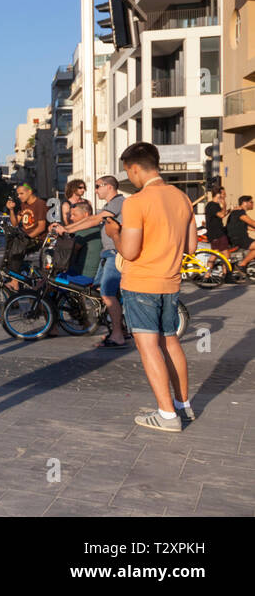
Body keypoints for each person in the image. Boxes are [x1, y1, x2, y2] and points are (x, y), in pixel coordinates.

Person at [112, 142, 196, 432]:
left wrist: (114, 234)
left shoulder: (135, 202)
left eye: (128, 172)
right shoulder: (182, 198)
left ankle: (166, 415)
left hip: (141, 282)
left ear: (134, 168)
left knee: (148, 347)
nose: (130, 178)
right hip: (170, 281)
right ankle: (183, 406)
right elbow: (192, 246)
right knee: (170, 342)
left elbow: (130, 251)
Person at [52, 175, 128, 347]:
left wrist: (66, 228)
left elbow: (92, 219)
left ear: (108, 186)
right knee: (100, 291)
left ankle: (118, 335)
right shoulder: (110, 205)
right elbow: (89, 219)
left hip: (115, 253)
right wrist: (67, 229)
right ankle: (119, 329)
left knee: (107, 293)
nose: (94, 190)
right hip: (107, 253)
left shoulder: (118, 201)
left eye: (97, 186)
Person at [4, 183, 48, 284]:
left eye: (21, 193)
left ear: (30, 192)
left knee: (16, 251)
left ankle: (15, 282)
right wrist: (11, 210)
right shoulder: (24, 205)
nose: (19, 196)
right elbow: (15, 223)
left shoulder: (40, 204)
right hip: (26, 237)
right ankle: (12, 276)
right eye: (18, 194)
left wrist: (26, 238)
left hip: (38, 239)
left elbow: (41, 227)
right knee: (9, 248)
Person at [224, 194, 255, 272]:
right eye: (251, 202)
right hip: (239, 238)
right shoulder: (239, 212)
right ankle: (242, 264)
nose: (253, 204)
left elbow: (246, 226)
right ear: (245, 202)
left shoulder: (238, 212)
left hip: (239, 237)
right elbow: (251, 222)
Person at [203, 184, 229, 254]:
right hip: (217, 234)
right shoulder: (212, 205)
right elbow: (222, 215)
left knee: (215, 254)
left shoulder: (213, 205)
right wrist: (224, 205)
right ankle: (226, 265)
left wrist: (230, 210)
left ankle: (209, 265)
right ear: (218, 195)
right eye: (223, 194)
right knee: (226, 255)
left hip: (215, 233)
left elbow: (220, 214)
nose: (225, 196)